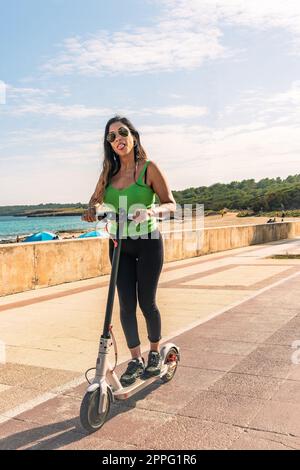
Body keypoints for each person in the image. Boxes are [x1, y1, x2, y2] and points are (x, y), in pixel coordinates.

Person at [82, 116, 176, 387]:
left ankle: (155, 353)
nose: (117, 139)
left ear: (133, 136)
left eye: (121, 132)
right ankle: (135, 359)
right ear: (109, 144)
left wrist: (151, 210)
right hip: (119, 245)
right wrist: (91, 212)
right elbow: (93, 203)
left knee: (147, 302)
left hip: (148, 242)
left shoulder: (148, 168)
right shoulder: (108, 175)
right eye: (111, 137)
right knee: (125, 305)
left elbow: (170, 204)